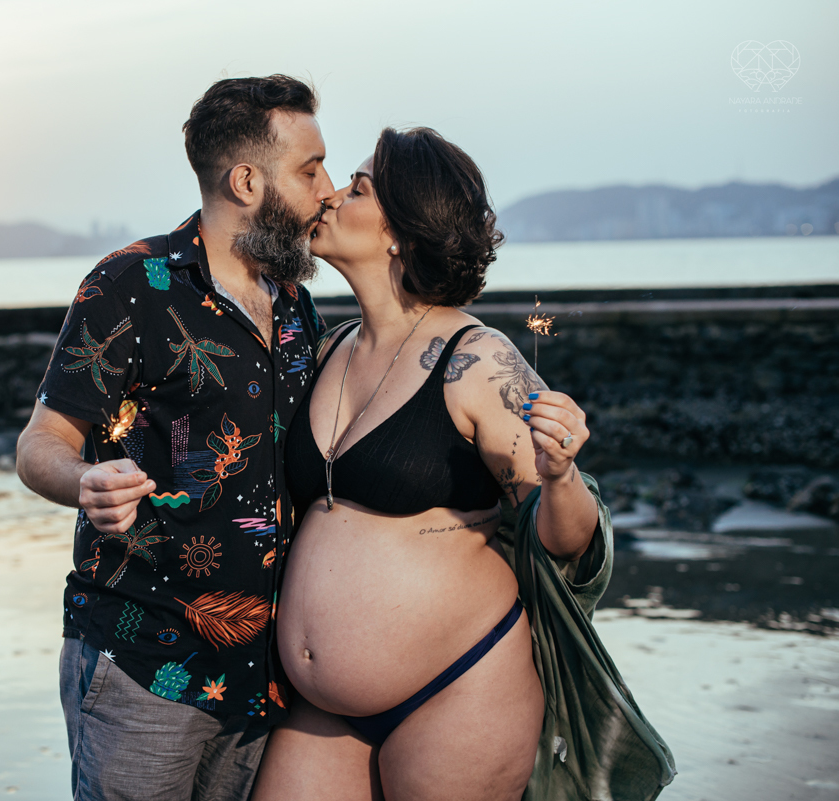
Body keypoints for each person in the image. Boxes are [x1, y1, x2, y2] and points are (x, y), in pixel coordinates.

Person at [251, 127, 617, 801]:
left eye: (357, 188)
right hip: (325, 712)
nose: (329, 196)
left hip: (456, 692)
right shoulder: (328, 347)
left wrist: (562, 476)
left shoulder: (478, 360)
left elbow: (565, 542)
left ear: (402, 232)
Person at [15, 74, 334, 801]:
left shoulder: (296, 306)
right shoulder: (131, 284)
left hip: (261, 675)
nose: (329, 187)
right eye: (310, 169)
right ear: (248, 180)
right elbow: (40, 444)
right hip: (141, 659)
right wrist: (85, 480)